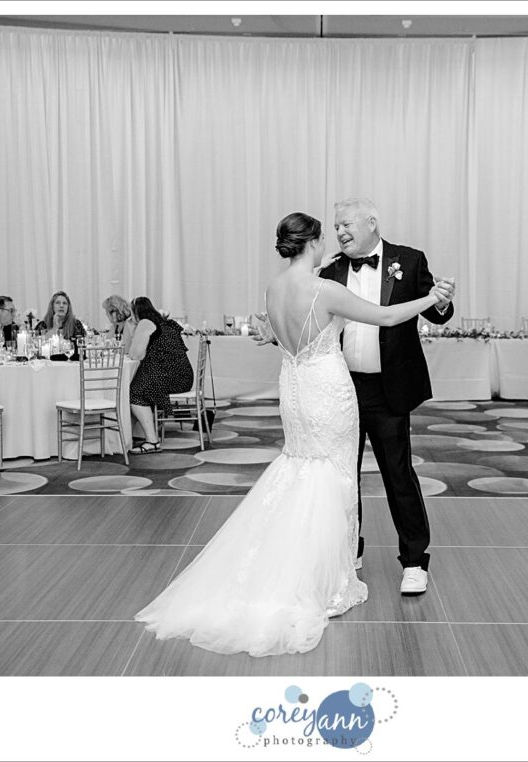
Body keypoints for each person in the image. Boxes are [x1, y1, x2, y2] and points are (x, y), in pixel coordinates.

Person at [135, 212, 450, 656]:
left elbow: (285, 334)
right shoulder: (324, 287)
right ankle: (325, 575)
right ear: (314, 242)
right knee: (335, 476)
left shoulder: (274, 287)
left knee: (302, 469)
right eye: (325, 236)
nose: (331, 243)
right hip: (328, 390)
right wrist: (429, 298)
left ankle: (307, 561)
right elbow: (387, 315)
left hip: (295, 390)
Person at [319, 198, 454, 595]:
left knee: (398, 475)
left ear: (372, 223)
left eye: (346, 225)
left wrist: (443, 300)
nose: (340, 232)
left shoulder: (409, 261)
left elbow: (436, 312)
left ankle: (414, 561)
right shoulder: (331, 268)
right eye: (336, 226)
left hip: (388, 388)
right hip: (342, 387)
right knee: (344, 476)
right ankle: (350, 552)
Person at [126, 296, 194, 453]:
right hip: (183, 376)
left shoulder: (145, 323)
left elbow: (136, 355)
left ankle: (152, 441)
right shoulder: (162, 322)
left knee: (135, 394)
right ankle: (130, 436)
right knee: (139, 386)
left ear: (136, 312)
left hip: (171, 376)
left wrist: (132, 328)